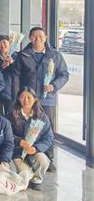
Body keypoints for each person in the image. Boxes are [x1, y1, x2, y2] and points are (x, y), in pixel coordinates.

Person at [13, 27, 68, 172]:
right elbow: (16, 77)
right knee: (25, 126)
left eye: (40, 36)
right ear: (30, 38)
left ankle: (48, 158)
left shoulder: (55, 55)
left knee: (47, 128)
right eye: (34, 36)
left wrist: (54, 86)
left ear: (46, 37)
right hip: (27, 99)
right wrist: (17, 96)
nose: (37, 39)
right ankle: (25, 154)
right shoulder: (23, 55)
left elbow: (64, 74)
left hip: (47, 98)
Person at [8, 87, 54, 190]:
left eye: (29, 97)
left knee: (43, 161)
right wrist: (19, 141)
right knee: (26, 174)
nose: (26, 100)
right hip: (17, 152)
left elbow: (48, 138)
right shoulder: (12, 115)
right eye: (22, 97)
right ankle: (27, 172)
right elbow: (7, 134)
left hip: (33, 151)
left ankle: (37, 180)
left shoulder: (42, 117)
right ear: (18, 98)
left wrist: (36, 148)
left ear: (35, 99)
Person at [0, 35, 18, 115]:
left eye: (4, 42)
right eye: (0, 43)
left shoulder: (16, 55)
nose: (3, 45)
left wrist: (12, 63)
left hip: (12, 87)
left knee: (12, 112)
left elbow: (19, 71)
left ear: (9, 43)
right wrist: (1, 66)